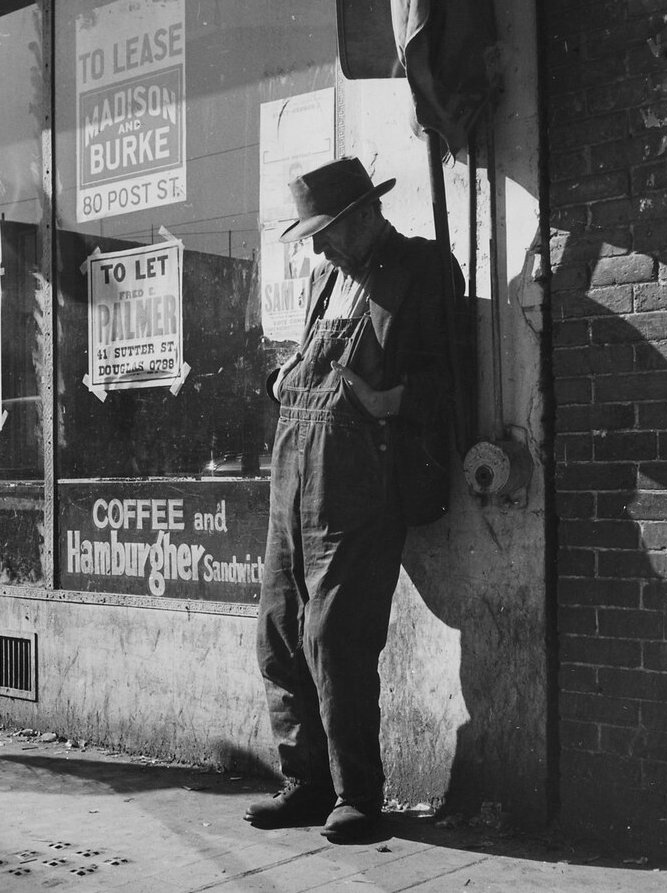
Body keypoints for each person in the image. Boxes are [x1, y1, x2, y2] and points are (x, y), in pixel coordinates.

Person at [244, 157, 464, 842]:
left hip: (364, 481)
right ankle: (305, 783)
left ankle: (357, 796)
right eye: (312, 234)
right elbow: (314, 361)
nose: (317, 245)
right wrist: (286, 374)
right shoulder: (323, 278)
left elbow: (453, 379)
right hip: (294, 475)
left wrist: (388, 398)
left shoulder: (422, 270)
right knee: (278, 633)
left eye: (327, 230)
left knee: (334, 636)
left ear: (365, 214)